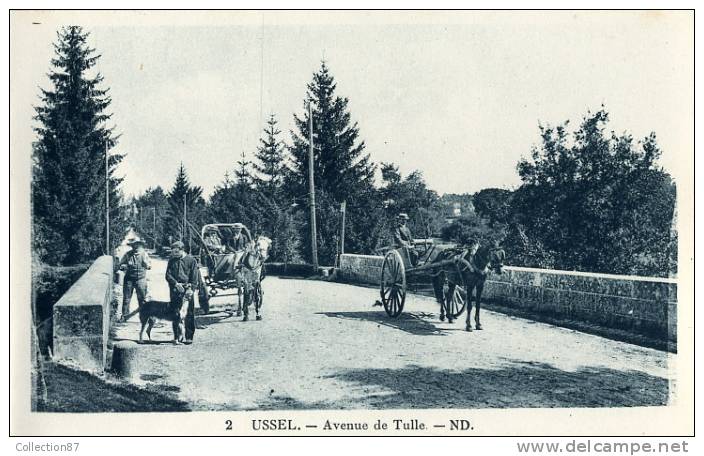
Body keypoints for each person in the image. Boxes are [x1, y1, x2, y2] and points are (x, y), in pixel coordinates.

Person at [165, 241, 200, 344]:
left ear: (182, 250)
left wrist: (191, 289)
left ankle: (189, 336)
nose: (174, 254)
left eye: (176, 252)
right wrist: (175, 284)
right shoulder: (171, 261)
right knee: (175, 312)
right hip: (175, 289)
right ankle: (177, 336)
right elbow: (168, 275)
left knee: (189, 312)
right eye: (173, 252)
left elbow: (194, 277)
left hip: (187, 289)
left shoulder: (191, 260)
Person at [118, 237, 151, 321]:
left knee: (142, 299)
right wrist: (124, 266)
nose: (136, 247)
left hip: (141, 279)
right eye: (134, 245)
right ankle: (125, 316)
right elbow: (121, 265)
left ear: (141, 245)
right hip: (129, 279)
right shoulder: (128, 254)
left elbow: (149, 266)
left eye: (138, 245)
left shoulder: (144, 254)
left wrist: (146, 264)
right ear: (132, 246)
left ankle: (144, 316)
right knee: (126, 298)